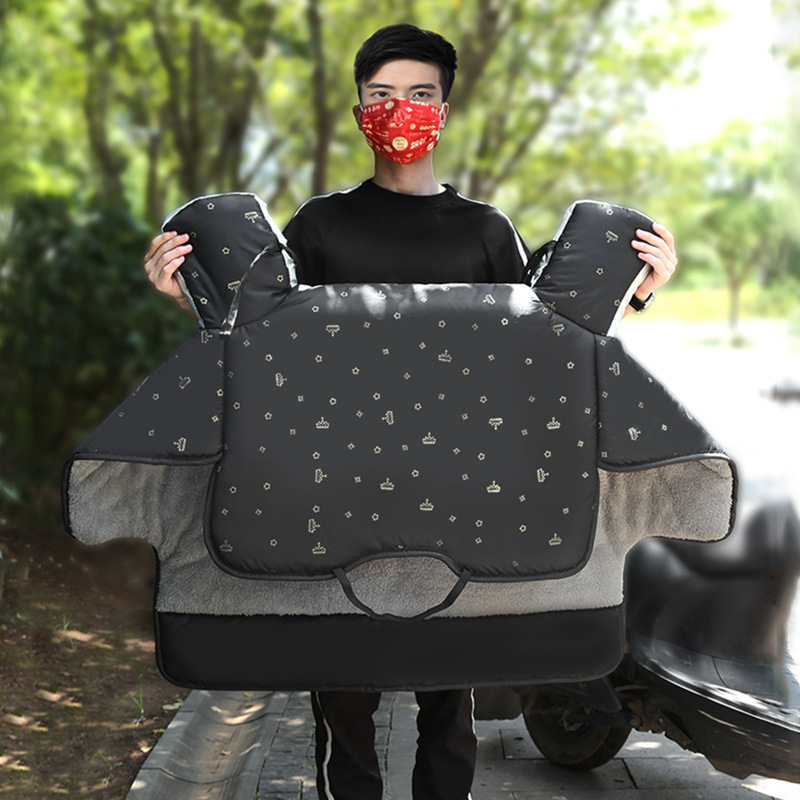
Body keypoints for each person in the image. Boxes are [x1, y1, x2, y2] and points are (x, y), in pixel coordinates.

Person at [143, 23, 678, 800]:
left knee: (449, 702)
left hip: (459, 496)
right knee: (344, 700)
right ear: (359, 110)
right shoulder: (319, 227)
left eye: (420, 94)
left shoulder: (486, 231)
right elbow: (258, 344)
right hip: (336, 492)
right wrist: (186, 296)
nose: (401, 110)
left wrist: (637, 292)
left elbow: (547, 348)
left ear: (444, 110)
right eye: (382, 95)